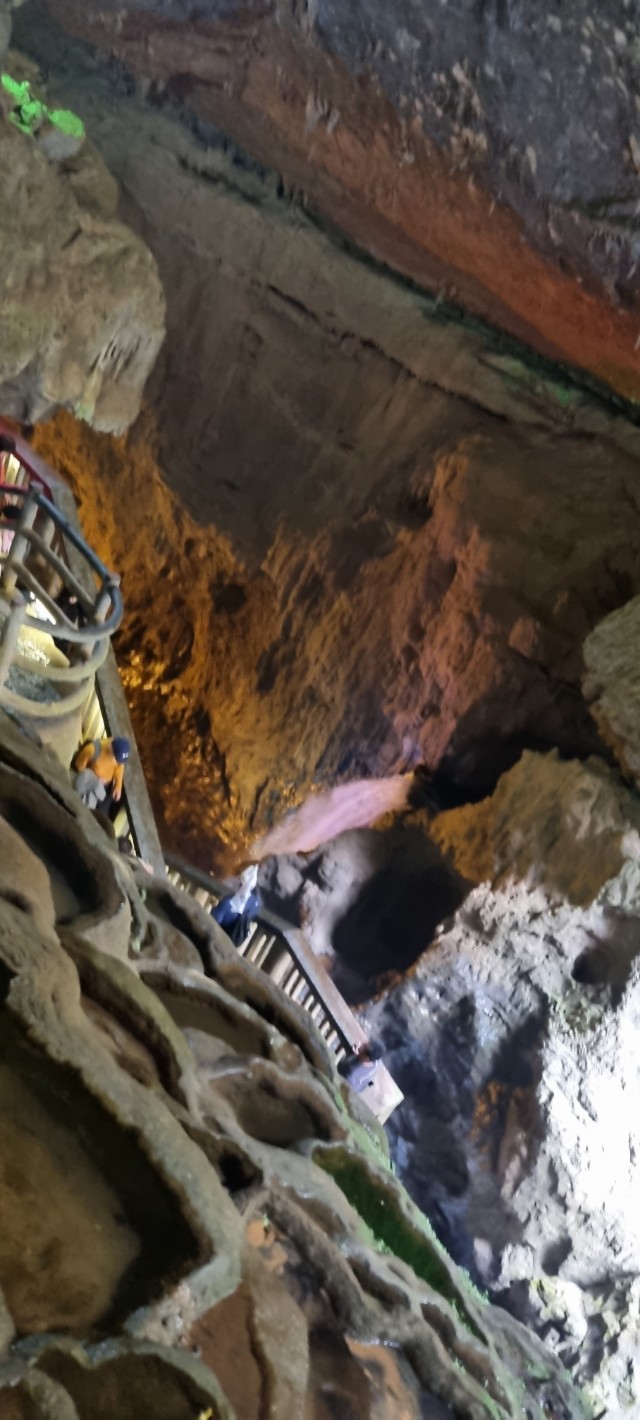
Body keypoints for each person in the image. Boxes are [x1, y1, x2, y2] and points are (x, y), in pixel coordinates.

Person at [71, 736, 130, 815]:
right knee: (87, 801)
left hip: (105, 787)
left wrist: (118, 787)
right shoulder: (92, 749)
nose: (115, 761)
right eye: (115, 757)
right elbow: (79, 765)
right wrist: (96, 778)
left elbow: (119, 768)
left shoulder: (118, 758)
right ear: (110, 748)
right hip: (90, 780)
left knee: (102, 812)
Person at [211, 864, 262, 947]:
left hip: (216, 941)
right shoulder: (253, 903)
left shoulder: (226, 904)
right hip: (231, 944)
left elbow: (211, 922)